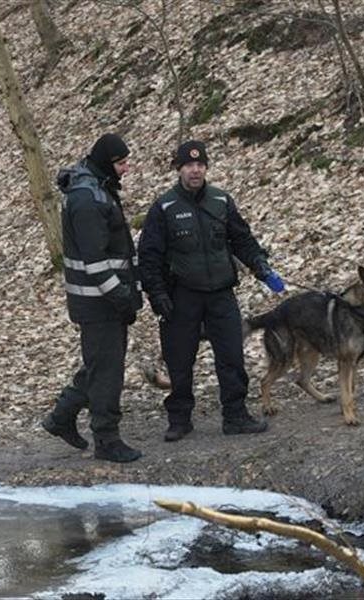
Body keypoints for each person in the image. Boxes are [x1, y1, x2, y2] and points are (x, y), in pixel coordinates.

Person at [137, 140, 285, 441]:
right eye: (189, 165)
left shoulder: (221, 201)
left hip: (221, 293)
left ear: (206, 168)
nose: (195, 170)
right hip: (181, 297)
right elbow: (149, 257)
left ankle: (236, 415)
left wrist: (259, 264)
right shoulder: (164, 207)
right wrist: (158, 296)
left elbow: (242, 239)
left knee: (231, 356)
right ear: (179, 169)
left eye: (200, 165)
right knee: (179, 361)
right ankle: (179, 419)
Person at [41, 133, 144, 463]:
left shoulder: (96, 188)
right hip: (99, 301)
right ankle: (107, 439)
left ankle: (62, 416)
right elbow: (95, 259)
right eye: (122, 163)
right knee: (108, 371)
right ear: (106, 163)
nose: (126, 169)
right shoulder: (88, 198)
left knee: (101, 364)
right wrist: (121, 296)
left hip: (101, 299)